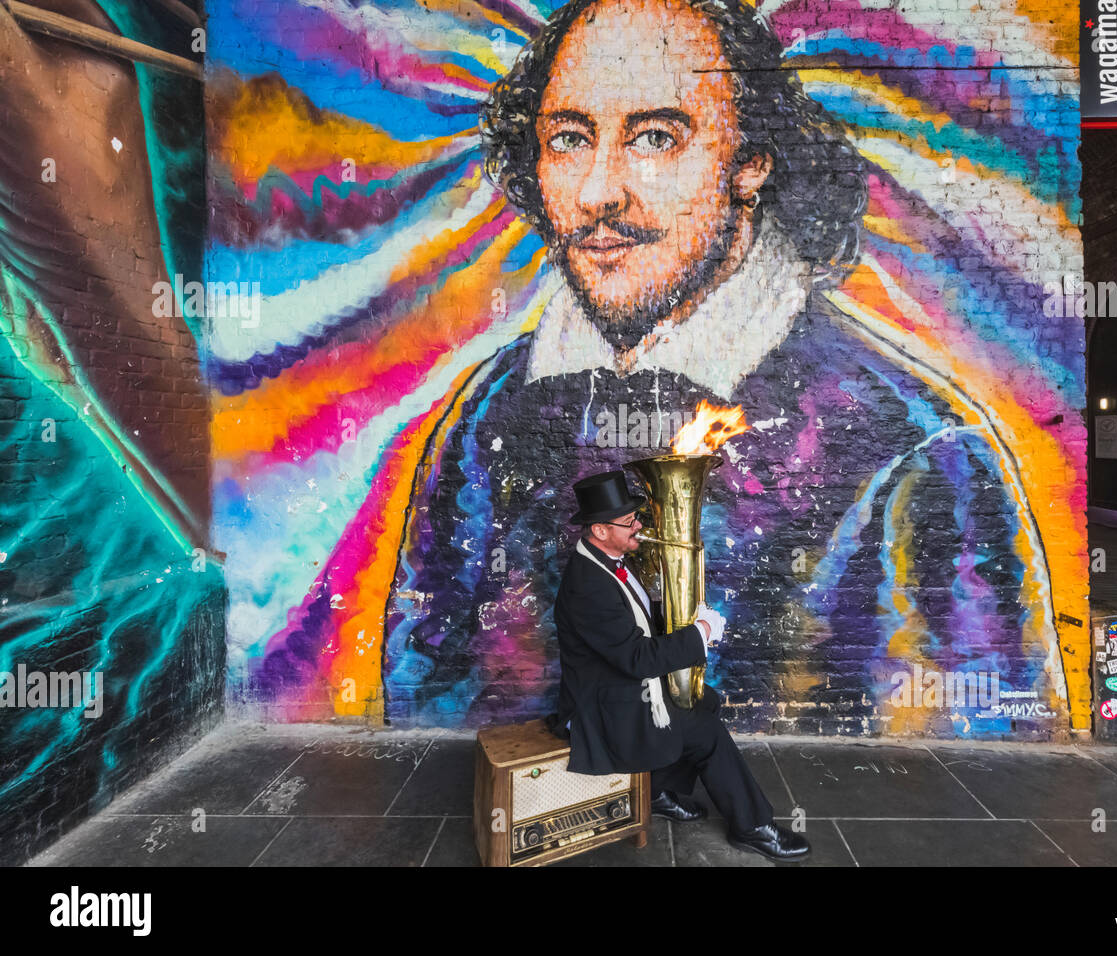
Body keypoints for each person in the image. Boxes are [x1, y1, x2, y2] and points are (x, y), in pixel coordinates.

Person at [381, 0, 1068, 734]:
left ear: (751, 163)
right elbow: (423, 680)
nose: (597, 192)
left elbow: (969, 739)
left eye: (654, 136)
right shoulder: (492, 411)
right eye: (570, 140)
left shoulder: (919, 456)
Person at [550, 470, 810, 860]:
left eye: (636, 517)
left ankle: (655, 792)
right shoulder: (588, 583)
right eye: (629, 522)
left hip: (615, 689)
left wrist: (685, 616)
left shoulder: (609, 561)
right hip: (599, 709)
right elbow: (637, 659)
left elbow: (630, 622)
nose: (639, 525)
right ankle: (753, 826)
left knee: (705, 701)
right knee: (704, 730)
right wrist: (699, 634)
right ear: (600, 530)